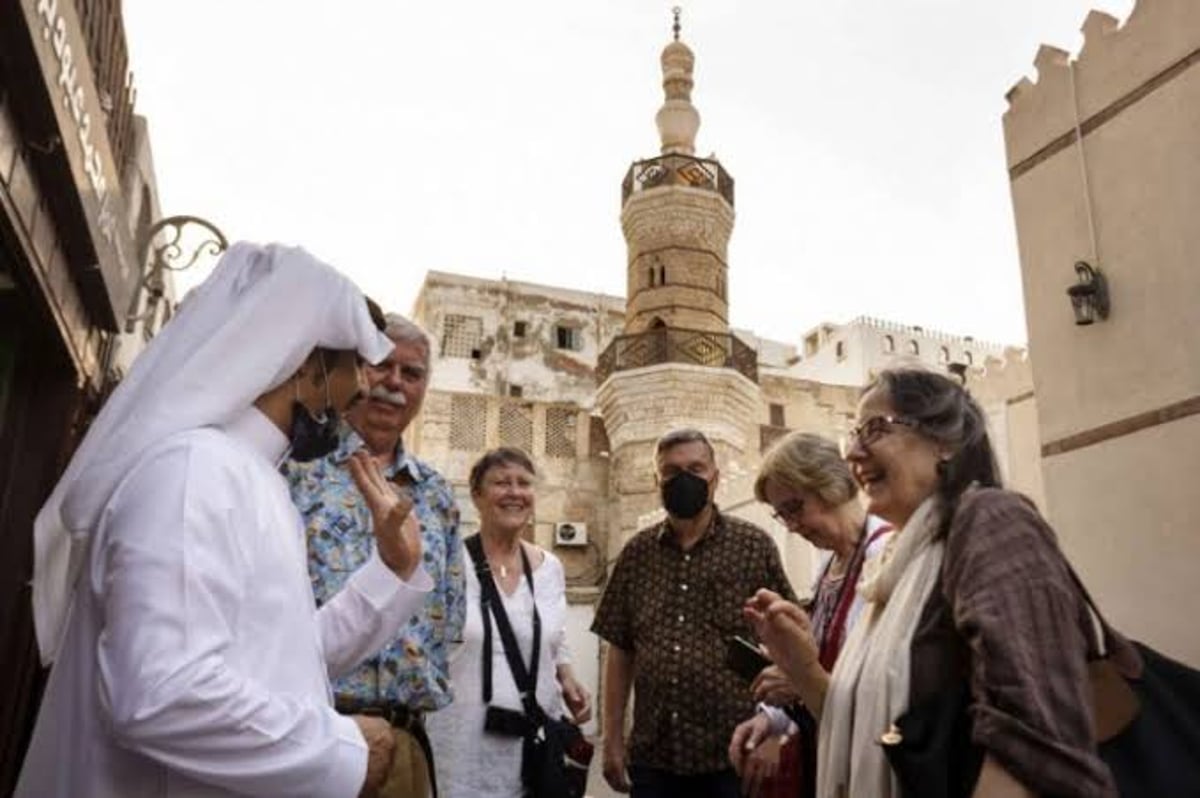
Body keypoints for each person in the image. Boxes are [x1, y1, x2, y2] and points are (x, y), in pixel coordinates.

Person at [18, 243, 433, 798]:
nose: (363, 388)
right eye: (357, 365)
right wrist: (344, 752)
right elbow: (162, 693)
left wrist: (393, 570)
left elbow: (281, 658)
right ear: (304, 361)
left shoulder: (252, 478)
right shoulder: (194, 473)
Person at [745, 368, 1125, 797]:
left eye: (875, 428)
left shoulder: (992, 522)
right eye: (854, 433)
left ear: (944, 441)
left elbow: (1038, 752)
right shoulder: (892, 571)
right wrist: (800, 668)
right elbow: (866, 732)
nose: (853, 451)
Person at [288, 313, 465, 798]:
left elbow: (449, 620)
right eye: (382, 365)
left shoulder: (437, 495)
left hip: (403, 745)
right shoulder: (296, 471)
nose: (394, 382)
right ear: (353, 372)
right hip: (310, 734)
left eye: (412, 373)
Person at [592, 427, 799, 798]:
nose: (683, 479)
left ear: (714, 478)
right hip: (655, 757)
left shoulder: (753, 547)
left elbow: (791, 644)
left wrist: (775, 729)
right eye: (671, 472)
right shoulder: (637, 554)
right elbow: (620, 648)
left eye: (695, 469)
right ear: (656, 481)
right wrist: (612, 739)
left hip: (733, 756)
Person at [727, 432, 891, 798]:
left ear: (830, 485)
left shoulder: (885, 557)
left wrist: (799, 678)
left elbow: (882, 690)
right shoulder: (829, 567)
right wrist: (771, 718)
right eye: (782, 514)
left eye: (794, 508)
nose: (791, 525)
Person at [425, 447, 591, 798]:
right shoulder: (448, 563)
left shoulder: (550, 568)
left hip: (534, 747)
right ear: (476, 495)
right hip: (460, 748)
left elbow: (556, 632)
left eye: (524, 483)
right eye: (501, 482)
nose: (514, 492)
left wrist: (567, 675)